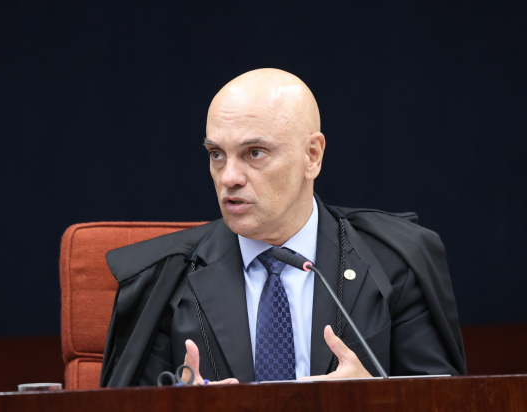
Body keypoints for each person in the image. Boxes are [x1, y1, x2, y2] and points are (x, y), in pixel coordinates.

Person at [100, 69, 466, 387]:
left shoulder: (395, 262)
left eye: (254, 153)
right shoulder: (163, 281)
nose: (228, 177)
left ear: (312, 155)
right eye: (216, 154)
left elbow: (443, 402)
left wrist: (374, 399)